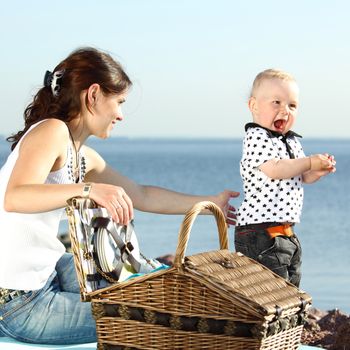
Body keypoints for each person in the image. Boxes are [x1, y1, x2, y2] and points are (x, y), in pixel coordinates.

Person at [0, 47, 239, 345]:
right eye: (120, 102)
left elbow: (142, 195)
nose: (122, 115)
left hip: (49, 273)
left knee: (146, 280)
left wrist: (210, 203)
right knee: (141, 316)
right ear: (94, 95)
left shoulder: (82, 156)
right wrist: (89, 189)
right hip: (17, 304)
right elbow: (15, 197)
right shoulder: (52, 131)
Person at [234, 68, 336, 287]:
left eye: (292, 105)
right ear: (254, 106)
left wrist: (317, 170)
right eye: (276, 102)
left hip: (285, 231)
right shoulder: (256, 136)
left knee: (290, 288)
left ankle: (287, 321)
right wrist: (309, 161)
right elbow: (276, 169)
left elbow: (301, 175)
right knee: (270, 290)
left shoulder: (291, 142)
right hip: (259, 231)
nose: (285, 110)